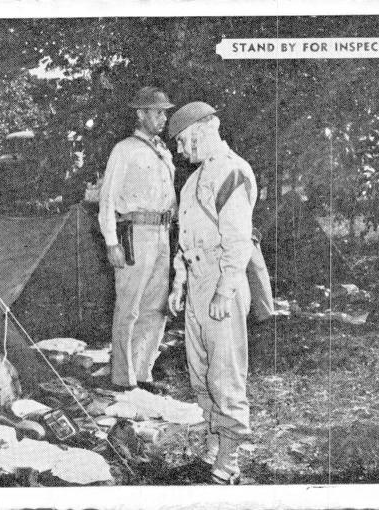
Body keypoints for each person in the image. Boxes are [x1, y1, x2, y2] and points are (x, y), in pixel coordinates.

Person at [166, 101, 257, 485]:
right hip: (197, 281)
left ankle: (229, 459)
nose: (182, 152)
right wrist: (178, 283)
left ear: (206, 128)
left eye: (185, 142)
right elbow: (184, 239)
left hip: (222, 281)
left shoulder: (231, 171)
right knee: (200, 372)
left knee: (225, 374)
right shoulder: (194, 179)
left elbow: (238, 241)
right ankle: (214, 442)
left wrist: (224, 291)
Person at [98, 86, 177, 393]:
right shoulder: (125, 150)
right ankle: (122, 377)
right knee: (129, 307)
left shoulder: (163, 150)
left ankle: (143, 373)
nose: (163, 118)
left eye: (165, 113)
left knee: (155, 308)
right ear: (140, 114)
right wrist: (111, 242)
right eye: (157, 112)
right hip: (135, 233)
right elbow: (108, 199)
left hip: (162, 232)